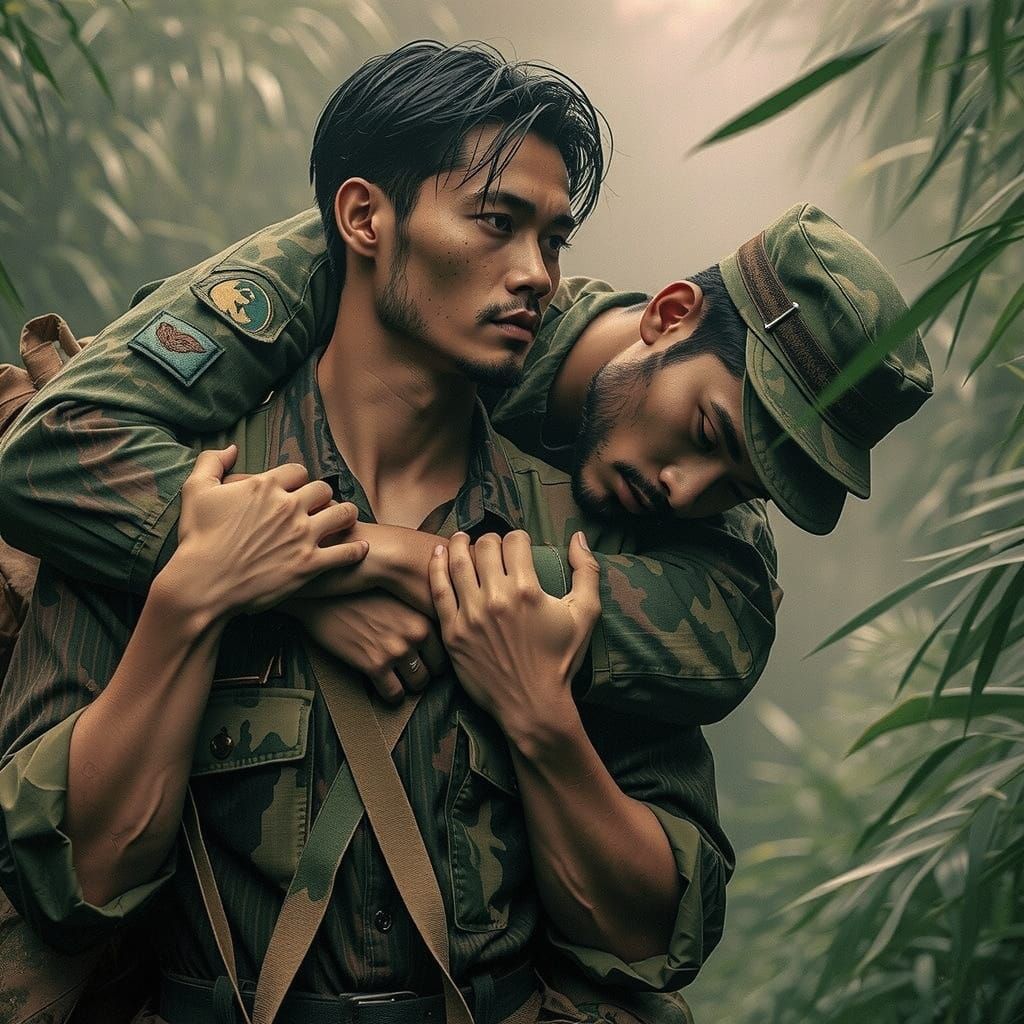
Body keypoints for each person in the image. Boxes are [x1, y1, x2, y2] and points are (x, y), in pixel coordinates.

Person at [0, 41, 732, 1024]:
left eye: (553, 240)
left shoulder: (572, 541)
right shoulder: (181, 495)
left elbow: (649, 935)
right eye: (495, 221)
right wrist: (192, 597)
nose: (537, 276)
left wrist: (539, 714)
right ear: (363, 217)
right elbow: (74, 884)